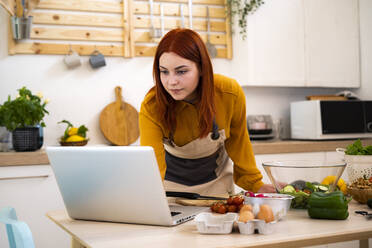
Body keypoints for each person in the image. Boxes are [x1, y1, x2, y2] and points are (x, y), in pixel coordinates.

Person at [139, 28, 275, 197]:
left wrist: (256, 185)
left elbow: (239, 144)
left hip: (216, 188)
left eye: (181, 71)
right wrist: (148, 200)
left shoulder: (229, 93)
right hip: (169, 191)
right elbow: (152, 165)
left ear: (202, 68)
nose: (171, 82)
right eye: (164, 71)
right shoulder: (152, 105)